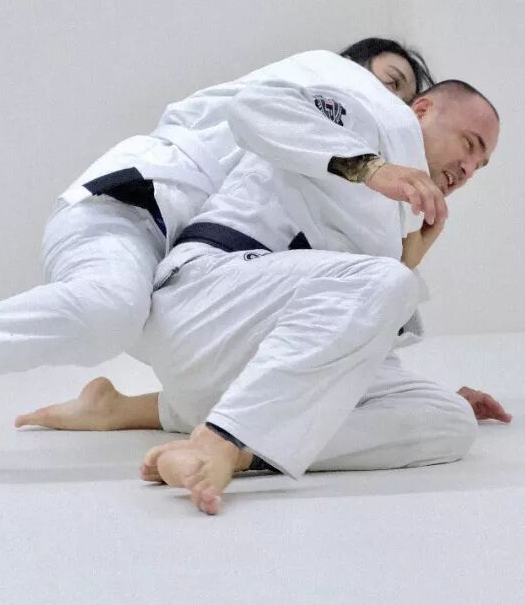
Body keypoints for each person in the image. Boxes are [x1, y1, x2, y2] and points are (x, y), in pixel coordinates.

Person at [0, 38, 433, 433]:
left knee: (264, 374)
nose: (395, 107)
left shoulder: (339, 183)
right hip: (128, 213)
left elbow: (332, 317)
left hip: (181, 269)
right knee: (109, 310)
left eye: (406, 98)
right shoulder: (311, 91)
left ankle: (117, 410)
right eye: (391, 82)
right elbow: (263, 114)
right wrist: (372, 169)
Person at [123, 76, 502, 514]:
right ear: (420, 111)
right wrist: (372, 170)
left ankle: (240, 448)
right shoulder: (368, 120)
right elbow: (255, 104)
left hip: (239, 364)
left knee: (449, 420)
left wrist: (407, 258)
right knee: (386, 281)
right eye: (469, 145)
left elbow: (330, 337)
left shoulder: (393, 214)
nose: (469, 170)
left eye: (481, 166)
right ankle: (218, 441)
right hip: (206, 297)